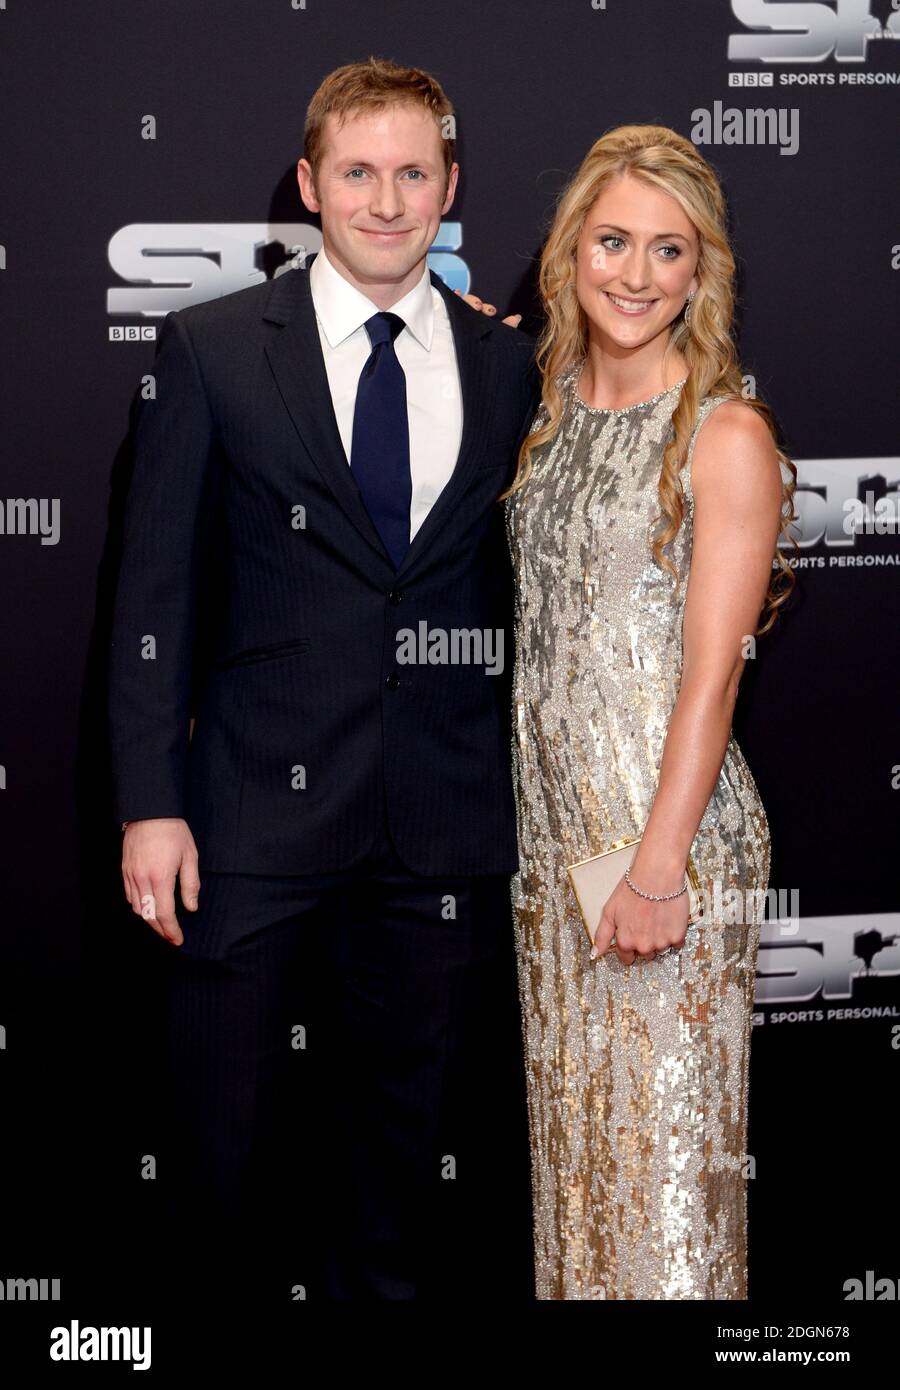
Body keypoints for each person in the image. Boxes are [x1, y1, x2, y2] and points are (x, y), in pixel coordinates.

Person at [107, 56, 540, 1300]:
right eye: (359, 171)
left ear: (450, 186)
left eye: (415, 173)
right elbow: (151, 600)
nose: (388, 200)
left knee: (403, 1176)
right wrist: (152, 799)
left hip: (443, 834)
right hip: (251, 821)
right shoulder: (209, 350)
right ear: (309, 183)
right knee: (226, 1157)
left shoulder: (509, 367)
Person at [500, 125, 797, 1299]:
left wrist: (660, 868)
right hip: (554, 850)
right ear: (569, 249)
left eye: (666, 251)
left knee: (666, 1197)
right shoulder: (549, 410)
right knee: (582, 1181)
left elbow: (715, 673)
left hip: (662, 851)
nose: (634, 274)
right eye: (611, 241)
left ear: (700, 272)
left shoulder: (725, 435)